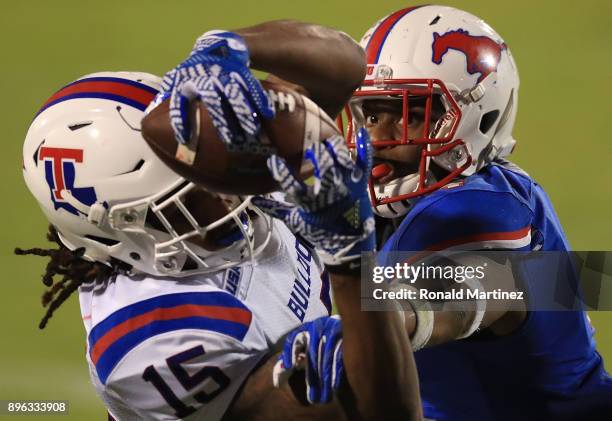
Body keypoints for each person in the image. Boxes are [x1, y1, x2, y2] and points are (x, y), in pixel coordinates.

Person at [18, 19, 420, 421]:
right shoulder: (153, 340)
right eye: (189, 198)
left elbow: (347, 66)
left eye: (207, 173)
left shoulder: (222, 166)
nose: (227, 194)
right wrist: (352, 264)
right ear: (119, 231)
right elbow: (385, 413)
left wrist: (230, 45)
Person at [326, 5, 612, 421]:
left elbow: (466, 292)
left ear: (479, 117)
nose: (379, 139)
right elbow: (551, 282)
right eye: (371, 115)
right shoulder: (502, 195)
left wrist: (358, 298)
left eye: (414, 115)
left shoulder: (473, 209)